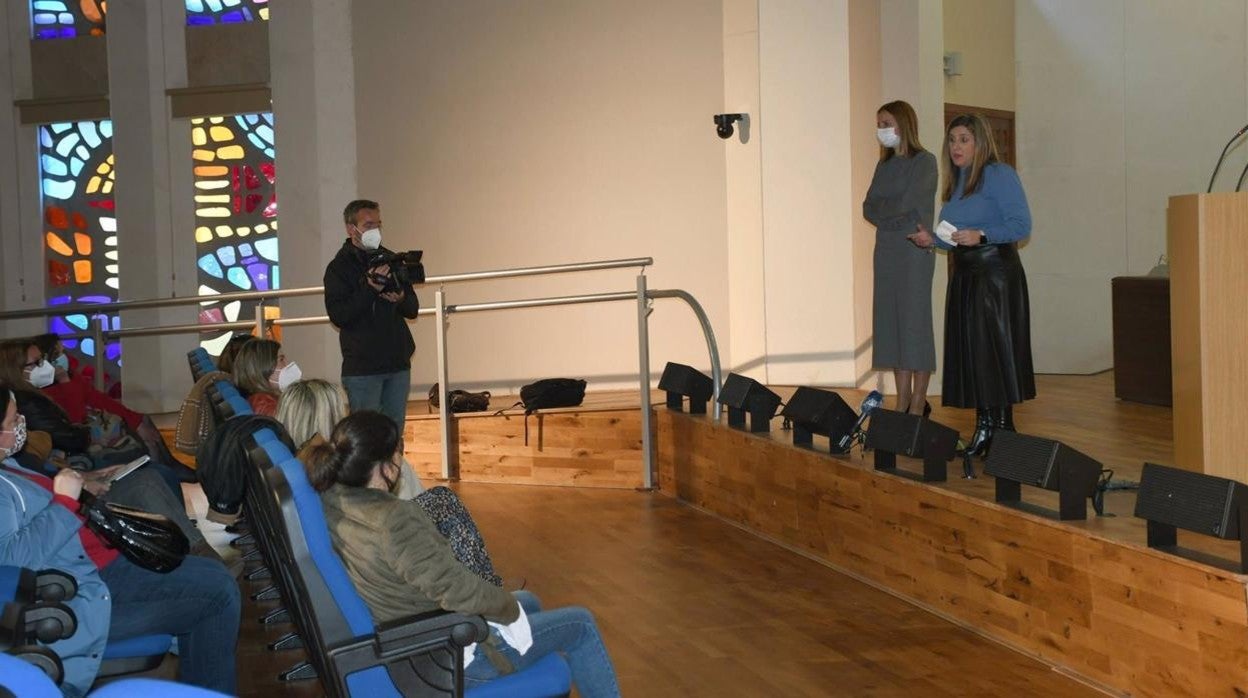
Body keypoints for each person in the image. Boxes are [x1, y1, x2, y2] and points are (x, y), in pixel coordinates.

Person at [306, 411, 619, 696]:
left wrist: (506, 604)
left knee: (531, 601)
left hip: (403, 636)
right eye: (398, 451)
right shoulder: (393, 520)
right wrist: (505, 605)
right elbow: (455, 590)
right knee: (581, 625)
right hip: (441, 658)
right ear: (383, 465)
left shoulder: (333, 497)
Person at [0, 390, 240, 697]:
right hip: (80, 597)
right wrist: (63, 501)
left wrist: (77, 487)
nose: (22, 424)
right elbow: (10, 560)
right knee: (217, 594)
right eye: (12, 420)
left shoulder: (10, 465)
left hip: (97, 569)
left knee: (213, 578)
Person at [278, 379, 501, 585]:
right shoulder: (329, 467)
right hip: (373, 549)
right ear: (328, 417)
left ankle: (483, 588)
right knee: (444, 501)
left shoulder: (290, 462)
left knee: (442, 503)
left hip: (359, 546)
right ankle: (487, 590)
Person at [910, 112, 1035, 462]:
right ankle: (984, 425)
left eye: (964, 139)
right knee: (974, 354)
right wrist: (932, 239)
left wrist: (982, 234)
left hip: (994, 275)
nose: (956, 147)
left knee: (993, 352)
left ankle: (1002, 428)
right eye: (952, 140)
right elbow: (954, 237)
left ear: (980, 142)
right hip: (965, 276)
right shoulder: (957, 182)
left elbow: (1021, 225)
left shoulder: (999, 174)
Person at [862, 100, 938, 415]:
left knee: (914, 324)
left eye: (886, 123)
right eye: (878, 124)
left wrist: (887, 214)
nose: (882, 130)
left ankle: (918, 404)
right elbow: (868, 206)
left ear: (903, 124)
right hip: (887, 250)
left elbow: (909, 204)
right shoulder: (885, 164)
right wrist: (890, 216)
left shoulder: (925, 161)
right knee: (891, 323)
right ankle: (902, 399)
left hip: (913, 250)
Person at [323, 199, 421, 428]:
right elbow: (339, 315)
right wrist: (370, 289)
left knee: (394, 432)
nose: (374, 230)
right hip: (363, 368)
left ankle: (394, 466)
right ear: (351, 228)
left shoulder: (391, 258)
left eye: (378, 224)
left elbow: (413, 309)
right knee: (367, 436)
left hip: (397, 362)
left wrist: (401, 299)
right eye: (368, 225)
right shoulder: (339, 268)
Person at [232, 338, 301, 416]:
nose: (286, 364)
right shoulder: (265, 405)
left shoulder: (268, 399)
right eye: (281, 359)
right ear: (263, 367)